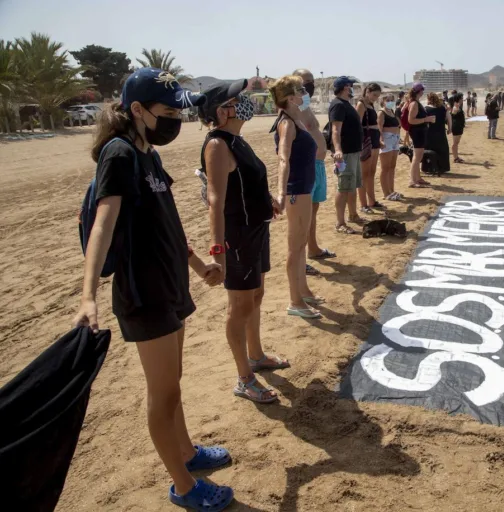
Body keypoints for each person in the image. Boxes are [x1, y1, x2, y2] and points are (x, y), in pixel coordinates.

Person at [73, 68, 235, 510]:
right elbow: (103, 225)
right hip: (142, 294)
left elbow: (167, 222)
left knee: (174, 385)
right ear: (138, 110)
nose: (174, 120)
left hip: (169, 285)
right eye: (166, 111)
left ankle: (187, 452)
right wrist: (88, 294)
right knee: (161, 393)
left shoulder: (149, 155)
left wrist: (198, 265)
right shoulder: (120, 154)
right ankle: (183, 485)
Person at [198, 79, 289, 407]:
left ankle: (256, 355)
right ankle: (244, 379)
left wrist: (266, 198)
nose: (244, 103)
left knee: (256, 297)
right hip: (236, 238)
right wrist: (217, 251)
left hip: (256, 232)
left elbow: (246, 180)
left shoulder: (236, 140)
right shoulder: (217, 145)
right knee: (239, 307)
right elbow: (215, 200)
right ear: (221, 112)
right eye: (237, 100)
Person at [268, 75, 326, 319]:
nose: (305, 93)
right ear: (290, 97)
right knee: (295, 246)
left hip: (304, 187)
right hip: (296, 190)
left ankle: (303, 291)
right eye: (301, 90)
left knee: (301, 244)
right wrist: (282, 192)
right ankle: (294, 301)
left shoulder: (296, 118)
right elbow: (283, 158)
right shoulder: (287, 124)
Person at [293, 69, 336, 274]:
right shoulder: (293, 106)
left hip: (317, 166)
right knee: (302, 217)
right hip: (305, 166)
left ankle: (313, 248)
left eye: (311, 82)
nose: (309, 85)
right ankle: (299, 259)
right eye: (304, 82)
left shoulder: (306, 104)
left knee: (313, 212)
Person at [329, 76, 365, 234]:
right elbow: (335, 130)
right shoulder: (338, 105)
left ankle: (353, 215)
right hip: (345, 153)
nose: (353, 89)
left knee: (352, 186)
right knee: (343, 187)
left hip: (353, 151)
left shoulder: (345, 104)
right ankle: (340, 222)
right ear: (345, 88)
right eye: (351, 86)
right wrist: (338, 150)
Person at [356, 83, 384, 214]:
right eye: (374, 95)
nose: (375, 98)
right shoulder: (361, 104)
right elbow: (357, 125)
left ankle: (372, 201)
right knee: (363, 174)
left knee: (371, 173)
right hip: (366, 141)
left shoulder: (371, 105)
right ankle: (363, 204)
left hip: (374, 140)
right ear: (367, 92)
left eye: (377, 96)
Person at [404, 83, 436, 188]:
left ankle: (417, 178)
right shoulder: (414, 104)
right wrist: (426, 119)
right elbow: (411, 120)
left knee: (418, 156)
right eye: (422, 90)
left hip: (420, 132)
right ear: (419, 91)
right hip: (417, 132)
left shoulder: (416, 102)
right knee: (417, 157)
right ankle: (412, 180)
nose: (423, 92)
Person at [377, 93, 401, 200]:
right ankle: (386, 192)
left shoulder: (392, 112)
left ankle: (391, 189)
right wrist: (381, 140)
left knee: (392, 166)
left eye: (392, 100)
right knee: (385, 167)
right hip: (387, 139)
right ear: (383, 101)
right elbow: (379, 128)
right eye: (388, 100)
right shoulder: (381, 113)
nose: (391, 102)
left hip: (395, 138)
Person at [425, 92, 451, 173]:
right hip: (441, 132)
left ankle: (430, 167)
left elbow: (425, 122)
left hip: (430, 132)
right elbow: (449, 118)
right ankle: (442, 167)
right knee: (442, 150)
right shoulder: (443, 108)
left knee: (430, 150)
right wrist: (450, 128)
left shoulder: (426, 108)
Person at [450, 93, 466, 163]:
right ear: (458, 99)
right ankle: (455, 158)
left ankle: (456, 157)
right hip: (456, 127)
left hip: (459, 127)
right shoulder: (455, 107)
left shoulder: (458, 106)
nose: (462, 99)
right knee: (455, 143)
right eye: (461, 98)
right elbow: (452, 116)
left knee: (457, 142)